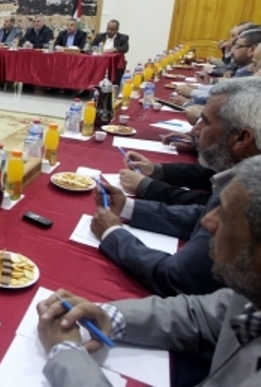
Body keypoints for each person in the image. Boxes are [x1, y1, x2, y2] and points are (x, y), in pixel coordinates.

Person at [37, 155, 261, 387]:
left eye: (226, 215)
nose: (207, 221)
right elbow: (202, 315)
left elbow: (177, 276)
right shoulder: (250, 294)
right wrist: (108, 316)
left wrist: (67, 355)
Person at [90, 77, 261, 297]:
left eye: (205, 122)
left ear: (242, 138)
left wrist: (113, 234)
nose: (195, 130)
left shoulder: (251, 192)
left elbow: (177, 277)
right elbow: (200, 214)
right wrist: (129, 208)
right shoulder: (242, 173)